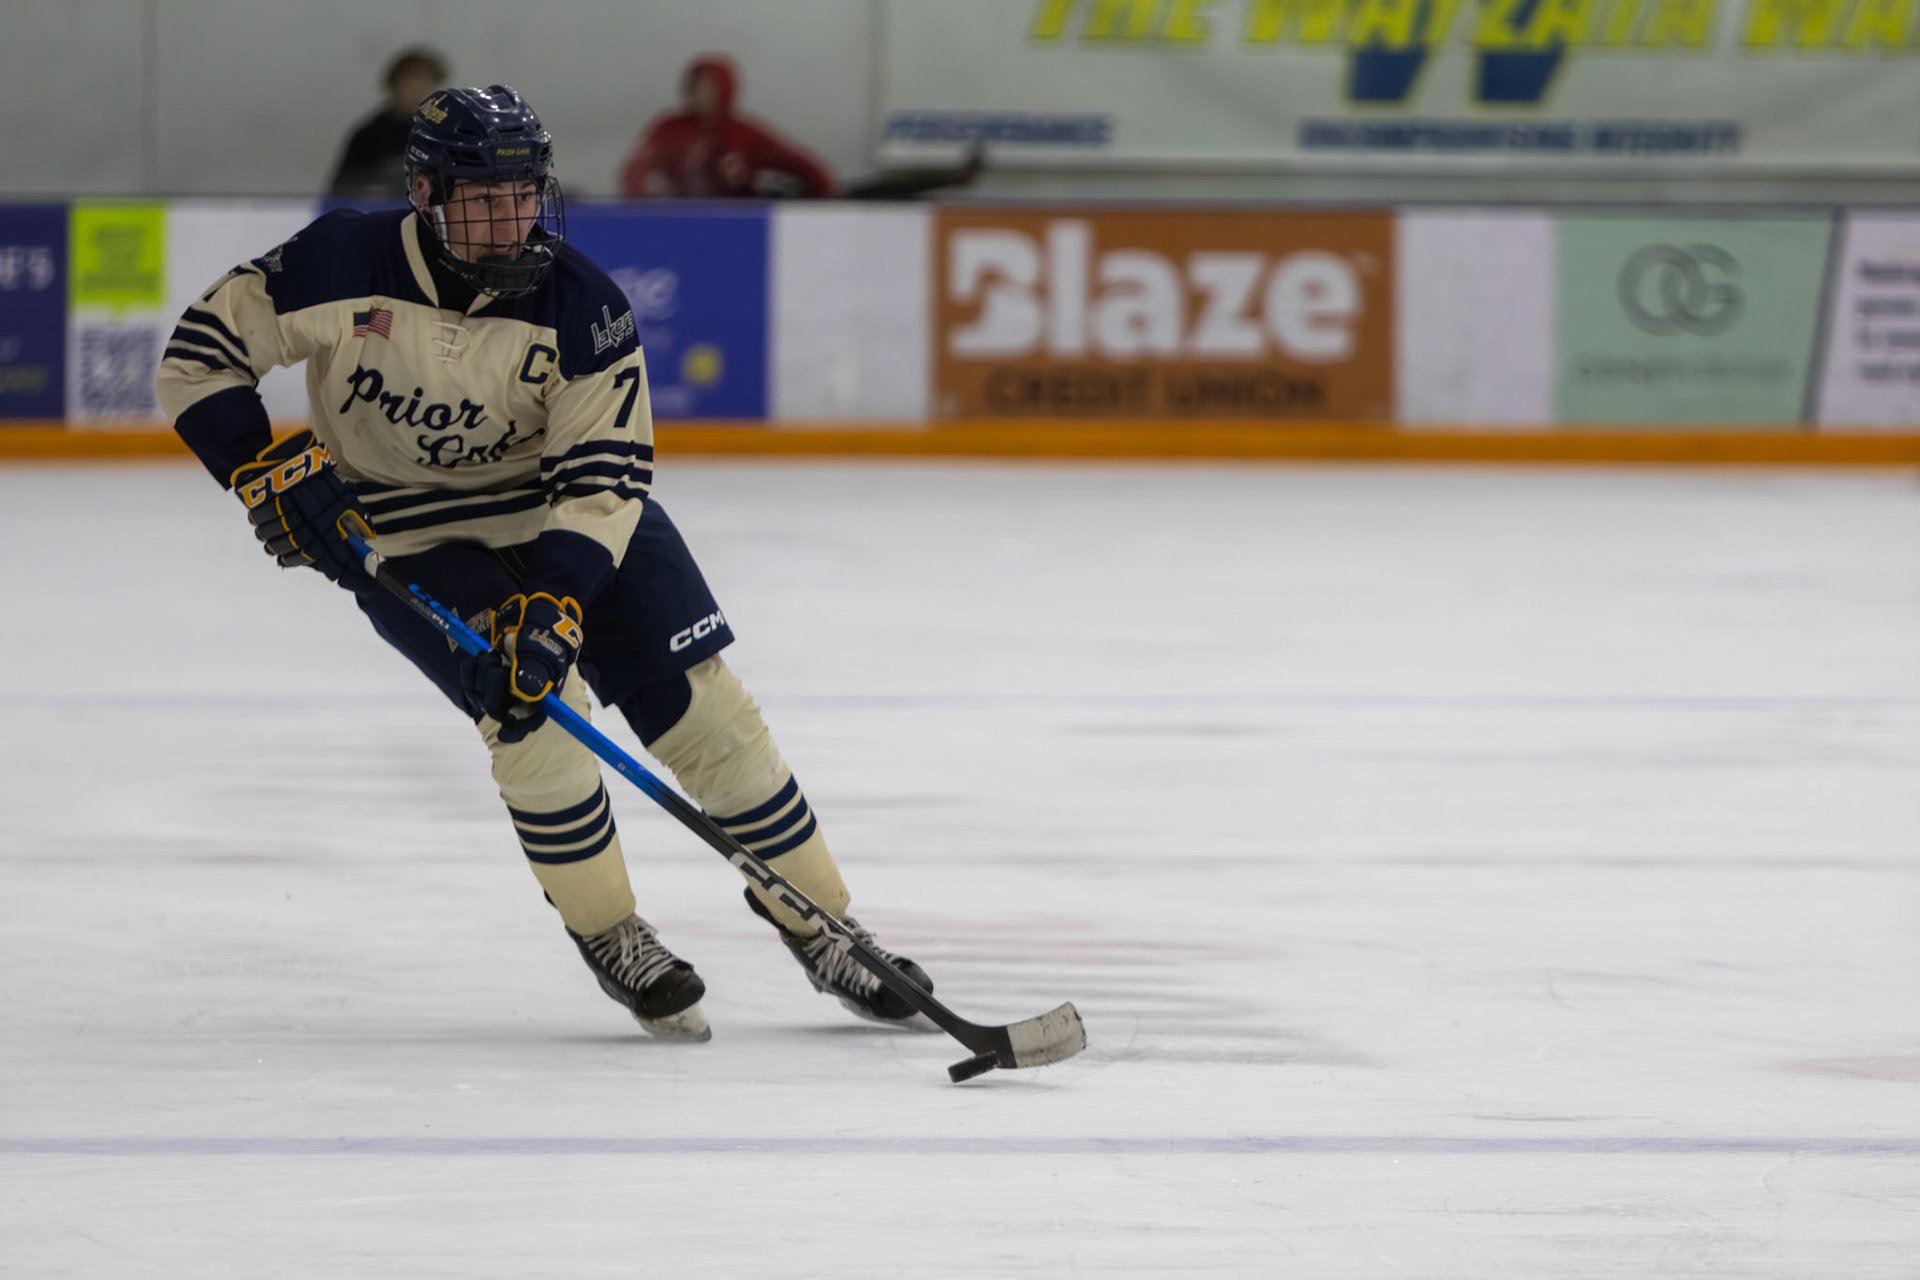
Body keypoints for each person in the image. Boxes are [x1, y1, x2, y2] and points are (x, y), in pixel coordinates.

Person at [157, 85, 932, 1043]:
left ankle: (826, 928)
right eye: (486, 197)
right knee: (533, 718)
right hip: (407, 528)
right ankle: (610, 932)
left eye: (523, 193)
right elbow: (200, 354)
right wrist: (258, 468)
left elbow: (603, 480)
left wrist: (559, 601)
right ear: (427, 195)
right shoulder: (341, 261)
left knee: (709, 714)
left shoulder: (586, 307)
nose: (511, 217)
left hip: (564, 515)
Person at [619, 55, 837, 199]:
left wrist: (824, 195)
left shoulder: (744, 133)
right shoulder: (669, 128)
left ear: (724, 89)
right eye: (695, 86)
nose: (700, 93)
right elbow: (636, 167)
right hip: (680, 217)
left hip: (735, 223)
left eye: (708, 87)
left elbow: (800, 162)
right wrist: (641, 203)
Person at [327, 48, 450, 198]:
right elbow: (341, 190)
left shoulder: (444, 135)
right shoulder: (370, 134)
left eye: (425, 84)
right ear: (394, 85)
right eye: (411, 83)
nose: (417, 90)